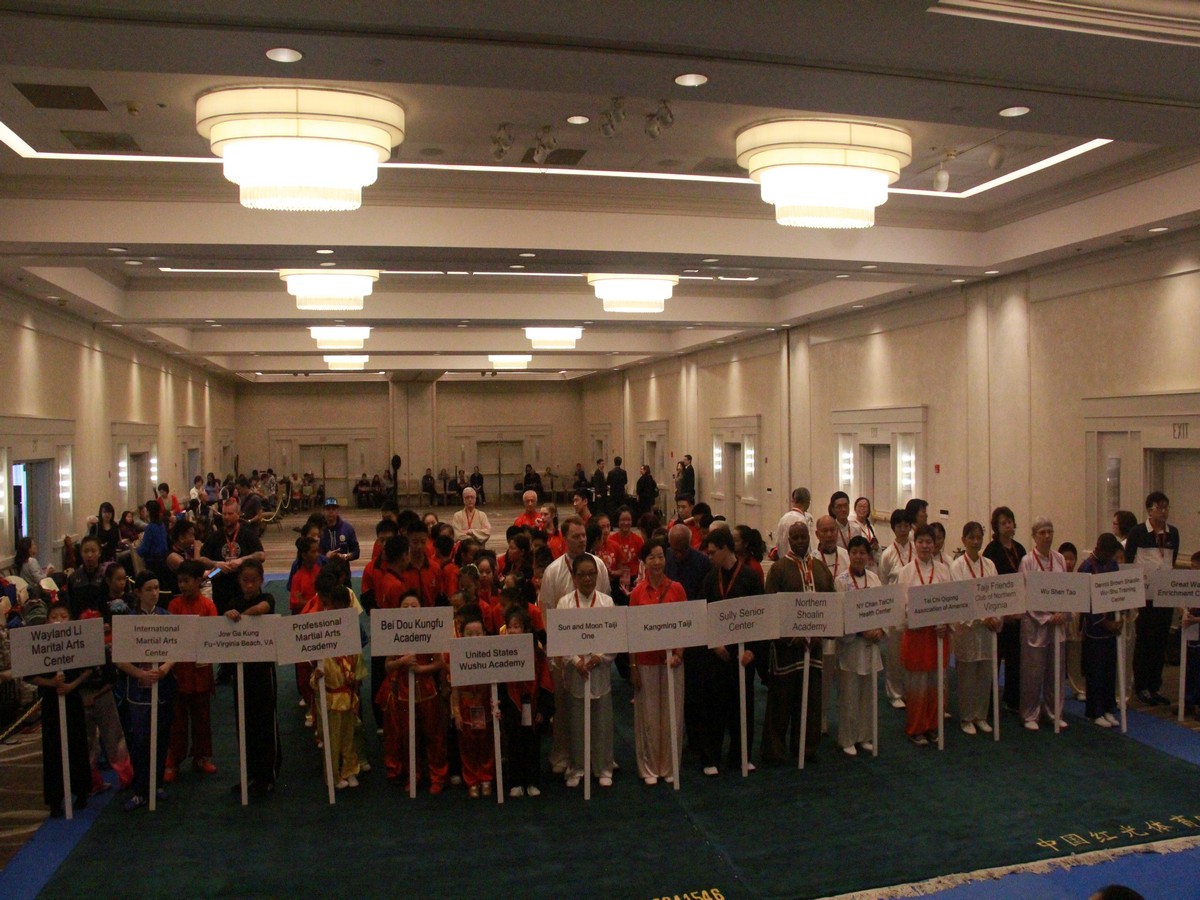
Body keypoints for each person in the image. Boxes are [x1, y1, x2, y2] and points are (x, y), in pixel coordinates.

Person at [537, 516, 611, 773]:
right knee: (564, 706)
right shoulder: (553, 571)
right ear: (564, 538)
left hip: (595, 650)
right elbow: (545, 612)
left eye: (583, 536)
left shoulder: (598, 566)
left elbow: (605, 605)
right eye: (575, 536)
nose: (581, 540)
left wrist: (601, 651)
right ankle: (564, 755)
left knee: (599, 705)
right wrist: (557, 650)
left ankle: (599, 758)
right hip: (565, 652)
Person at [763, 521, 830, 764]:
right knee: (781, 702)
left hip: (814, 648)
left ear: (810, 537)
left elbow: (831, 605)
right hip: (786, 649)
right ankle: (774, 751)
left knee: (811, 701)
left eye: (803, 536)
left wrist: (822, 632)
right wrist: (792, 636)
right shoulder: (778, 569)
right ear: (789, 540)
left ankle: (807, 748)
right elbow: (771, 608)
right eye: (796, 537)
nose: (800, 541)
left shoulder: (820, 568)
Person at [699, 527, 764, 776]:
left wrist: (753, 651)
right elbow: (704, 616)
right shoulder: (709, 579)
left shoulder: (750, 577)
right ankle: (711, 758)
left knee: (743, 706)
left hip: (743, 655)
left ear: (726, 549)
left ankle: (741, 756)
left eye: (712, 552)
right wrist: (714, 645)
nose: (709, 557)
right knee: (714, 706)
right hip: (717, 654)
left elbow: (761, 616)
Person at [115, 571, 176, 810]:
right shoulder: (128, 621)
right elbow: (120, 659)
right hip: (138, 691)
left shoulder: (167, 617)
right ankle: (140, 790)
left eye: (157, 588)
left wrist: (165, 668)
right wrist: (140, 674)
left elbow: (177, 649)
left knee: (161, 737)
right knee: (140, 741)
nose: (154, 593)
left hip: (163, 686)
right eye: (149, 589)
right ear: (138, 592)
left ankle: (156, 783)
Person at [555, 554, 616, 788]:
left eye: (592, 574)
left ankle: (603, 767)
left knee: (602, 721)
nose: (588, 579)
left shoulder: (606, 602)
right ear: (574, 576)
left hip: (599, 669)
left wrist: (600, 657)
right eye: (582, 574)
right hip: (576, 671)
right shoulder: (565, 603)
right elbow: (561, 638)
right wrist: (574, 660)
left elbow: (613, 636)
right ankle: (577, 767)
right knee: (576, 722)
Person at [628, 538, 685, 785]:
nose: (657, 562)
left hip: (672, 662)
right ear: (644, 562)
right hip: (646, 661)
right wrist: (633, 667)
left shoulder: (677, 589)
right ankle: (649, 767)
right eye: (652, 557)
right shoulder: (637, 593)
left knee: (673, 714)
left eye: (661, 556)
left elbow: (685, 625)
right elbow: (631, 632)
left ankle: (670, 765)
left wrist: (679, 653)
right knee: (649, 717)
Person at [380, 593, 449, 792]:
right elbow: (387, 666)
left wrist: (420, 669)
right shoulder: (395, 632)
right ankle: (413, 775)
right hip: (403, 691)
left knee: (434, 735)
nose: (410, 609)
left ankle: (438, 776)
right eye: (406, 605)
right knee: (408, 736)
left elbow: (440, 663)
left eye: (414, 605)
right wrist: (402, 662)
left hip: (427, 690)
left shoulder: (429, 630)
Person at [29, 601, 92, 817]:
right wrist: (52, 683)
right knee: (53, 750)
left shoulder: (78, 641)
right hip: (50, 702)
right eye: (54, 617)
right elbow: (30, 675)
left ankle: (81, 792)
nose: (59, 621)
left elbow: (88, 668)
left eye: (63, 616)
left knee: (77, 744)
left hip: (72, 699)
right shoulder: (39, 644)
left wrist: (71, 685)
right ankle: (55, 800)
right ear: (47, 621)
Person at [224, 560, 281, 795]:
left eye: (253, 580)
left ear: (261, 580)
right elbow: (225, 624)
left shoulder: (267, 597)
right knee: (244, 724)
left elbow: (262, 608)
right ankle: (250, 773)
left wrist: (243, 617)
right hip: (241, 672)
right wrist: (229, 614)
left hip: (263, 671)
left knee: (265, 722)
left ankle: (268, 774)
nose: (249, 585)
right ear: (239, 581)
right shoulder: (234, 603)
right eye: (245, 580)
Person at [164, 560, 218, 782]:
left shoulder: (208, 606)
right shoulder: (174, 606)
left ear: (198, 581)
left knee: (202, 719)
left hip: (201, 672)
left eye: (186, 581)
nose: (182, 585)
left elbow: (213, 637)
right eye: (180, 581)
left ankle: (201, 757)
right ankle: (173, 762)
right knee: (177, 722)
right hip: (179, 673)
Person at [897, 524, 952, 747]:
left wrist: (946, 623)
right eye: (921, 541)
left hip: (938, 634)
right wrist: (914, 620)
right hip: (916, 635)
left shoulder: (944, 570)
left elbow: (951, 601)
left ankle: (933, 726)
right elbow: (900, 605)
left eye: (929, 541)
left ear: (935, 544)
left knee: (936, 682)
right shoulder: (906, 572)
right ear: (915, 544)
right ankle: (916, 728)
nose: (925, 546)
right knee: (917, 684)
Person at [1126, 491, 1180, 707]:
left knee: (1160, 640)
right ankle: (1141, 685)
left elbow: (1171, 561)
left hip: (1164, 595)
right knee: (1145, 640)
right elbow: (1129, 560)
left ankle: (1155, 685)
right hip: (1144, 595)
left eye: (1166, 507)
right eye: (1159, 508)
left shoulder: (1173, 533)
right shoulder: (1138, 532)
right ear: (1149, 510)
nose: (1164, 512)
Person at [311, 583, 367, 790]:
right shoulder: (322, 632)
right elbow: (314, 676)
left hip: (350, 697)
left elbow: (358, 665)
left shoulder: (351, 632)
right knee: (332, 740)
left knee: (349, 737)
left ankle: (350, 770)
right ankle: (332, 775)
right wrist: (317, 678)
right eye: (335, 606)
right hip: (330, 699)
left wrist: (356, 684)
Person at [1017, 517, 1070, 731]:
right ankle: (1030, 713)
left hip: (1058, 624)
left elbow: (1067, 589)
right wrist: (1046, 617)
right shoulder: (1027, 561)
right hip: (1035, 625)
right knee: (1033, 672)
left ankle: (1054, 712)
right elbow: (1025, 595)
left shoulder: (1060, 559)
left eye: (1050, 531)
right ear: (1034, 536)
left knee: (1056, 671)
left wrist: (1062, 613)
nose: (1047, 536)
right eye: (1042, 533)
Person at [833, 536, 883, 756]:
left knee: (868, 693)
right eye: (854, 552)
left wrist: (880, 630)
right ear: (849, 554)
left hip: (872, 644)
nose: (858, 556)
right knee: (849, 695)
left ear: (868, 556)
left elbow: (883, 608)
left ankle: (864, 735)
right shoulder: (841, 581)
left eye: (863, 552)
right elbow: (840, 616)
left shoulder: (875, 579)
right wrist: (861, 631)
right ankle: (847, 738)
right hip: (851, 646)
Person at [949, 522, 1000, 735]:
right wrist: (980, 618)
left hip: (987, 630)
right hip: (967, 629)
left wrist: (994, 618)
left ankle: (981, 715)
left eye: (979, 537)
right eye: (971, 537)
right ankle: (967, 717)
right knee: (967, 675)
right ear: (963, 540)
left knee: (985, 674)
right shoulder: (957, 567)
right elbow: (960, 599)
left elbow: (997, 595)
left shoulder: (989, 565)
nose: (976, 541)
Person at [499, 604, 553, 797]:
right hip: (512, 707)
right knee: (514, 744)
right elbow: (499, 685)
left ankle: (532, 781)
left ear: (526, 629)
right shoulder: (501, 655)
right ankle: (515, 782)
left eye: (517, 626)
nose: (513, 630)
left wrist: (543, 710)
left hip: (533, 705)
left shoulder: (538, 656)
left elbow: (546, 684)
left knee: (532, 745)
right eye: (510, 627)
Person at [983, 505, 1027, 713]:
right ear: (996, 527)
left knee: (1015, 657)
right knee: (996, 657)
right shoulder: (991, 551)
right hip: (999, 610)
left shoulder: (1020, 549)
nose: (1008, 525)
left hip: (1017, 610)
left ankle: (1013, 699)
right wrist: (1002, 612)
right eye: (1003, 523)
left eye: (1010, 521)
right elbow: (989, 584)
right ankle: (990, 702)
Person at [1079, 533, 1123, 728]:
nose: (1111, 557)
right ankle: (1094, 711)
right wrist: (1104, 623)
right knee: (1095, 672)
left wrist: (1119, 618)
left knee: (1109, 671)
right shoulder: (1086, 568)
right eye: (1110, 554)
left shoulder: (1112, 565)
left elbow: (1118, 590)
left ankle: (1108, 708)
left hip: (1112, 627)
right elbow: (1084, 602)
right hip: (1094, 630)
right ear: (1100, 549)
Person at [451, 611, 496, 797]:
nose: (474, 637)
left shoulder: (492, 655)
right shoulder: (456, 656)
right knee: (467, 746)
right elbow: (455, 690)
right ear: (461, 635)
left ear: (484, 634)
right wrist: (456, 713)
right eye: (469, 634)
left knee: (486, 743)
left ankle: (486, 777)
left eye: (478, 633)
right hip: (465, 706)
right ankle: (471, 780)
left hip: (484, 705)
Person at [199, 498, 266, 615]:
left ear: (238, 514)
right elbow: (202, 559)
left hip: (245, 590)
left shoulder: (248, 534)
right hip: (221, 589)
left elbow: (261, 555)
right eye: (224, 514)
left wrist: (241, 560)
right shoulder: (215, 536)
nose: (226, 517)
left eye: (230, 514)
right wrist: (216, 564)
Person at [877, 508, 915, 709]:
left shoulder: (917, 549)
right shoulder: (887, 554)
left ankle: (910, 690)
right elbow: (883, 582)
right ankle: (894, 692)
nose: (903, 529)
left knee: (911, 651)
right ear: (893, 528)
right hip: (894, 606)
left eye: (906, 525)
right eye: (899, 525)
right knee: (894, 653)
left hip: (914, 606)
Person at [773, 488, 814, 560]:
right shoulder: (802, 521)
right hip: (798, 562)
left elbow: (778, 543)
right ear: (808, 502)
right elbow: (808, 547)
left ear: (794, 500)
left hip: (783, 560)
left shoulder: (783, 518)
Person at [319, 497, 360, 563]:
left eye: (333, 509)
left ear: (338, 511)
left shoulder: (347, 528)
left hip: (342, 567)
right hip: (323, 567)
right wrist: (325, 557)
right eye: (328, 509)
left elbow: (356, 551)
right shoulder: (318, 529)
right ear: (323, 511)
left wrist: (346, 556)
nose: (331, 511)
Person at [811, 515, 849, 580]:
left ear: (837, 532)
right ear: (817, 534)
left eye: (832, 530)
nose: (829, 535)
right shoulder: (812, 559)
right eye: (825, 531)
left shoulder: (847, 555)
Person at [852, 496, 881, 566]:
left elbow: (878, 549)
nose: (862, 509)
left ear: (868, 510)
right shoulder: (852, 526)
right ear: (855, 509)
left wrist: (876, 548)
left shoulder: (871, 527)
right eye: (860, 506)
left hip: (871, 563)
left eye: (865, 507)